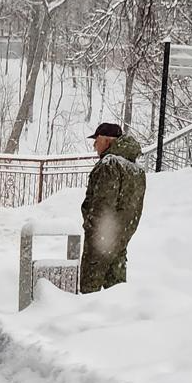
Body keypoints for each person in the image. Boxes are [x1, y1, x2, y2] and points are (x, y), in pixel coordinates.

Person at [79, 121, 145, 293]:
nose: (94, 145)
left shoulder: (109, 164)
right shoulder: (136, 170)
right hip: (121, 240)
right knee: (116, 296)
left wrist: (91, 226)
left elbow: (102, 205)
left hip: (101, 240)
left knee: (89, 294)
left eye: (97, 140)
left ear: (108, 141)